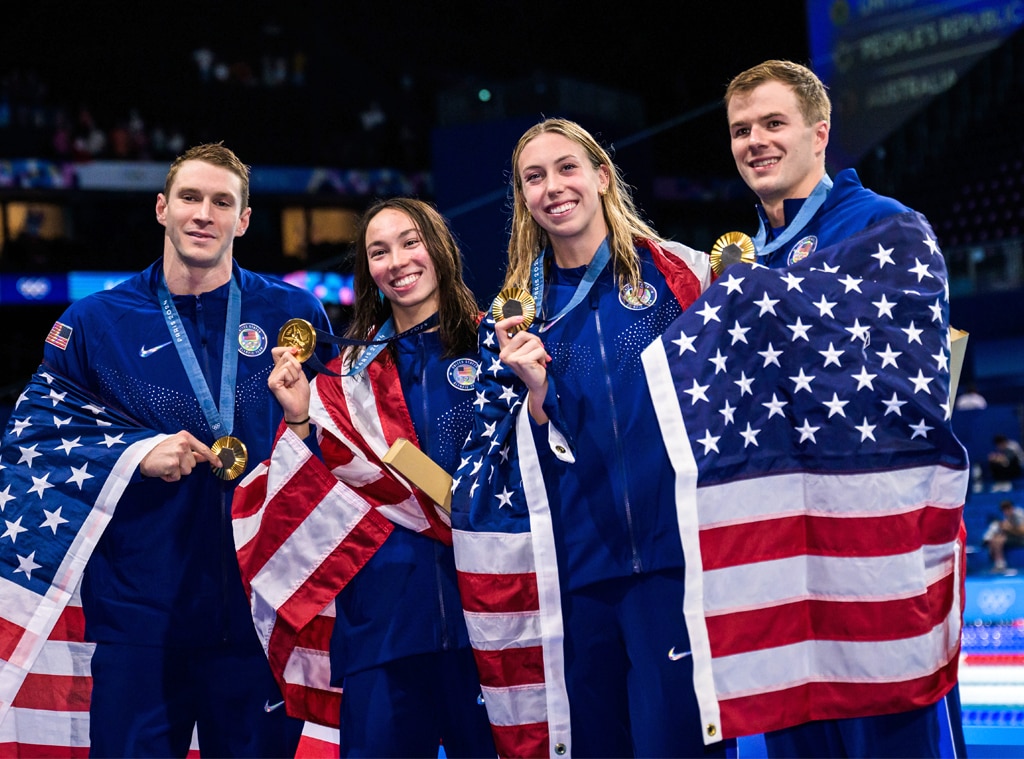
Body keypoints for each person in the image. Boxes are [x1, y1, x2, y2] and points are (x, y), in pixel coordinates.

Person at [0, 142, 333, 756]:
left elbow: (338, 441)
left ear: (245, 220)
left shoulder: (295, 314)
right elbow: (32, 441)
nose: (204, 213)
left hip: (260, 609)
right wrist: (133, 453)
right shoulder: (98, 322)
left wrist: (308, 417)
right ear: (162, 208)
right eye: (190, 197)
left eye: (222, 202)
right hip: (139, 615)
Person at [682, 58, 965, 757]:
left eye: (773, 123)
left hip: (871, 555)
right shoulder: (740, 263)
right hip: (781, 565)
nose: (755, 141)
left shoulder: (886, 228)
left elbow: (914, 385)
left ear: (820, 131)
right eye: (741, 129)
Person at [450, 118, 724, 758]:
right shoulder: (512, 315)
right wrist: (536, 397)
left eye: (567, 168)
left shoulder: (680, 275)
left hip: (672, 564)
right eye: (534, 178)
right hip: (571, 576)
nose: (553, 187)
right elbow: (509, 454)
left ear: (602, 176)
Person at [232, 198, 495, 757]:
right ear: (368, 271)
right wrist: (301, 418)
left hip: (487, 618)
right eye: (379, 251)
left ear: (440, 249)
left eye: (410, 242)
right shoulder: (343, 378)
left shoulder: (495, 349)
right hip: (382, 627)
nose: (397, 260)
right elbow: (312, 493)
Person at [983, 499, 1024, 574]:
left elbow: (1022, 532)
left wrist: (1009, 528)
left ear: (1011, 508)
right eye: (1004, 511)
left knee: (999, 541)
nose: (1005, 512)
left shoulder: (1018, 515)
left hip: (1021, 538)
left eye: (1007, 510)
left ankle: (1001, 565)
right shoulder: (1007, 516)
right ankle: (998, 563)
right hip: (1013, 537)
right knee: (993, 540)